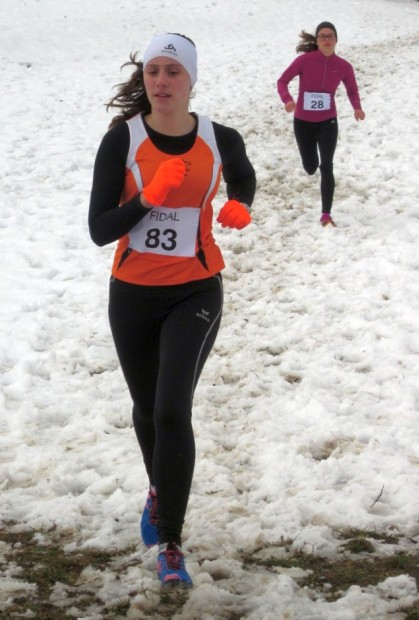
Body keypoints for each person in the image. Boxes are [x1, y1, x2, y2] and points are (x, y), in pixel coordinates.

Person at [88, 33, 255, 589]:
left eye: (173, 72)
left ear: (191, 80)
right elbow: (99, 230)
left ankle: (170, 541)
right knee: (144, 408)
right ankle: (161, 485)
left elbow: (244, 174)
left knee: (170, 410)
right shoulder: (123, 141)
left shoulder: (218, 136)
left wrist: (239, 204)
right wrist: (147, 198)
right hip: (132, 293)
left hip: (196, 291)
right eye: (154, 71)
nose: (161, 81)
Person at [277, 22, 365, 226]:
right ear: (317, 40)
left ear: (336, 40)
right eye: (323, 36)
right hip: (303, 122)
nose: (327, 39)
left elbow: (352, 90)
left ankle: (326, 214)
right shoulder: (304, 60)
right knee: (310, 167)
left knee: (327, 166)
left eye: (331, 36)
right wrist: (287, 99)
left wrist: (357, 107)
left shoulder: (344, 66)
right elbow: (282, 81)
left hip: (328, 121)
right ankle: (310, 164)